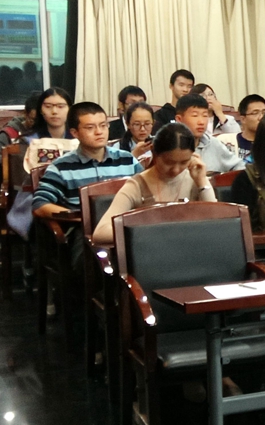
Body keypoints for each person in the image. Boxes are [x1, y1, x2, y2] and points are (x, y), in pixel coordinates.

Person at [32, 102, 142, 293]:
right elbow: (40, 204)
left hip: (126, 227)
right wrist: (79, 216)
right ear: (74, 133)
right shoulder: (61, 167)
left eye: (103, 125)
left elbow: (146, 194)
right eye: (90, 127)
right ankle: (103, 305)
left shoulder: (127, 160)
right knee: (99, 264)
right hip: (85, 231)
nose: (99, 132)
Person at [92, 124, 216, 245]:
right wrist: (149, 233)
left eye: (184, 162)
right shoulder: (137, 185)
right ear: (154, 153)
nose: (176, 170)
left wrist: (202, 182)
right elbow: (101, 233)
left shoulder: (195, 179)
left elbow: (218, 222)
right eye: (168, 163)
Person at [175, 93, 246, 174]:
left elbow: (239, 165)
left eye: (205, 115)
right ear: (179, 119)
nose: (201, 122)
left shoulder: (213, 143)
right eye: (195, 115)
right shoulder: (166, 146)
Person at [25, 87, 77, 172]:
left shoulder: (79, 139)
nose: (54, 111)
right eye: (48, 106)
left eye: (60, 106)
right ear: (40, 110)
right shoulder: (30, 140)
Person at [221, 94, 265, 160]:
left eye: (264, 113)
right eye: (255, 113)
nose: (261, 117)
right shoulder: (226, 141)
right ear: (243, 119)